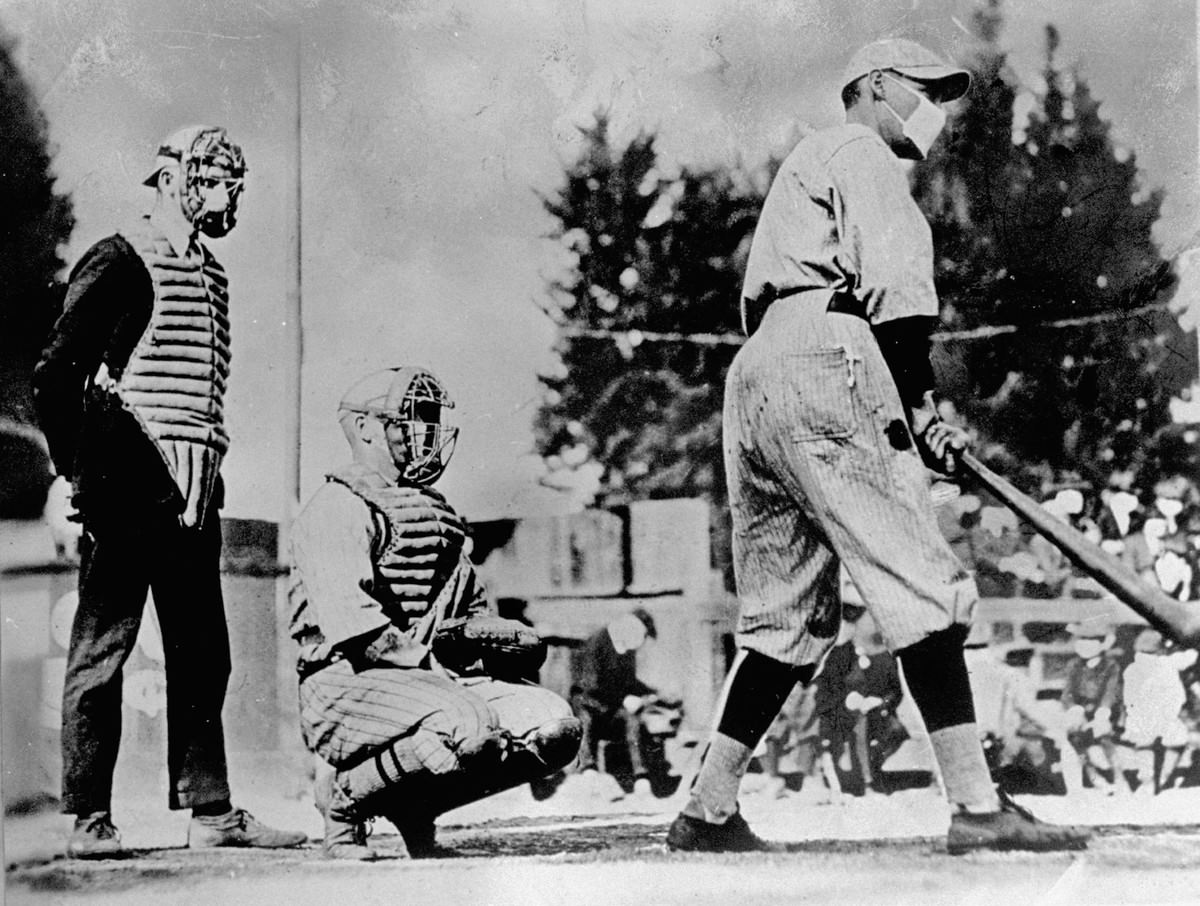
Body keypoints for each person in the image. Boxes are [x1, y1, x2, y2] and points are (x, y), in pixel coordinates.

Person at [665, 38, 1089, 854]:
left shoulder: (809, 163)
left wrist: (907, 407)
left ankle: (706, 808)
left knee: (783, 616)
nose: (937, 109)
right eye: (925, 90)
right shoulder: (861, 149)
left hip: (757, 373)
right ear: (878, 85)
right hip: (829, 348)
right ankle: (975, 805)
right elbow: (894, 287)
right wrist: (922, 401)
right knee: (921, 583)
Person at [32, 126, 306, 857]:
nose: (224, 192)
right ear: (171, 177)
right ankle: (86, 816)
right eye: (211, 175)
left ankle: (209, 811)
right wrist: (70, 473)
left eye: (231, 179)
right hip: (126, 479)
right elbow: (56, 375)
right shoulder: (122, 258)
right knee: (104, 647)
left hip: (193, 487)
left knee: (202, 650)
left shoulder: (212, 274)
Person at [288, 367, 581, 859]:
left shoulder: (436, 515)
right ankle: (343, 804)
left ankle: (413, 806)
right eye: (410, 419)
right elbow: (360, 633)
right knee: (466, 725)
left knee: (554, 729)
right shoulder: (337, 506)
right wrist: (437, 670)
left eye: (430, 420)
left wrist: (494, 645)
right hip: (343, 684)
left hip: (423, 680)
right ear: (365, 429)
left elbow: (469, 615)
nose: (426, 432)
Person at [570, 608, 681, 797]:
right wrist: (623, 699)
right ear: (629, 627)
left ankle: (641, 776)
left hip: (611, 709)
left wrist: (655, 694)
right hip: (589, 704)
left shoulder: (626, 647)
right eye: (642, 635)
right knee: (584, 716)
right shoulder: (596, 642)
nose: (640, 643)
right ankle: (588, 770)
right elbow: (591, 686)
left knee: (633, 717)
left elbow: (629, 683)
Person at [1060, 621, 1129, 795]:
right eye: (1082, 640)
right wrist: (1074, 708)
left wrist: (1103, 710)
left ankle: (1119, 777)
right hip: (1082, 710)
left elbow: (1110, 691)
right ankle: (1093, 776)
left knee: (1102, 734)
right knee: (1073, 736)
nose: (1085, 645)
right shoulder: (1074, 666)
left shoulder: (1110, 666)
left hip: (1104, 710)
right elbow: (1068, 692)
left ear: (1101, 644)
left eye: (1091, 641)